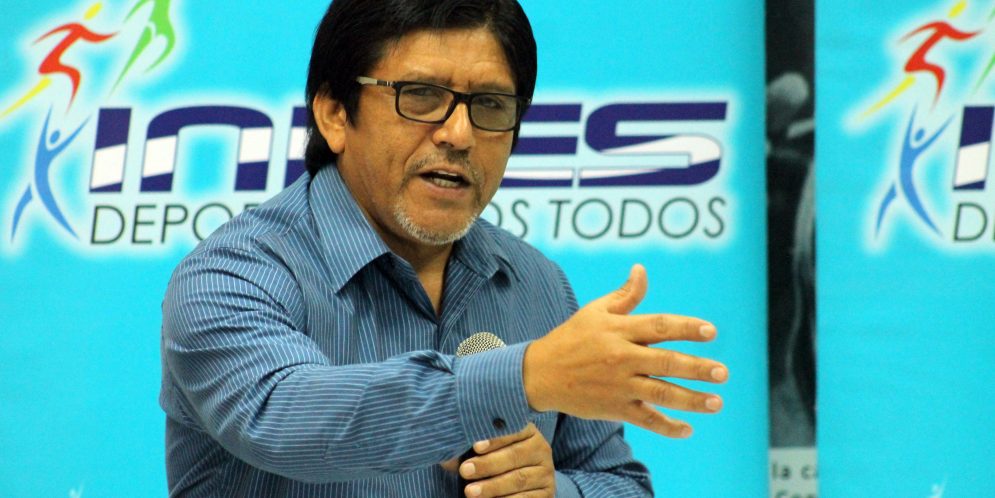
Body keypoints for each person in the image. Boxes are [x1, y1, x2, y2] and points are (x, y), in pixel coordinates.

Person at [160, 1, 728, 496]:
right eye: (422, 96)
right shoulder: (232, 274)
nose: (459, 134)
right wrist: (525, 376)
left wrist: (551, 490)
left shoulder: (536, 284)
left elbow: (618, 484)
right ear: (334, 113)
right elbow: (282, 417)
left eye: (490, 105)